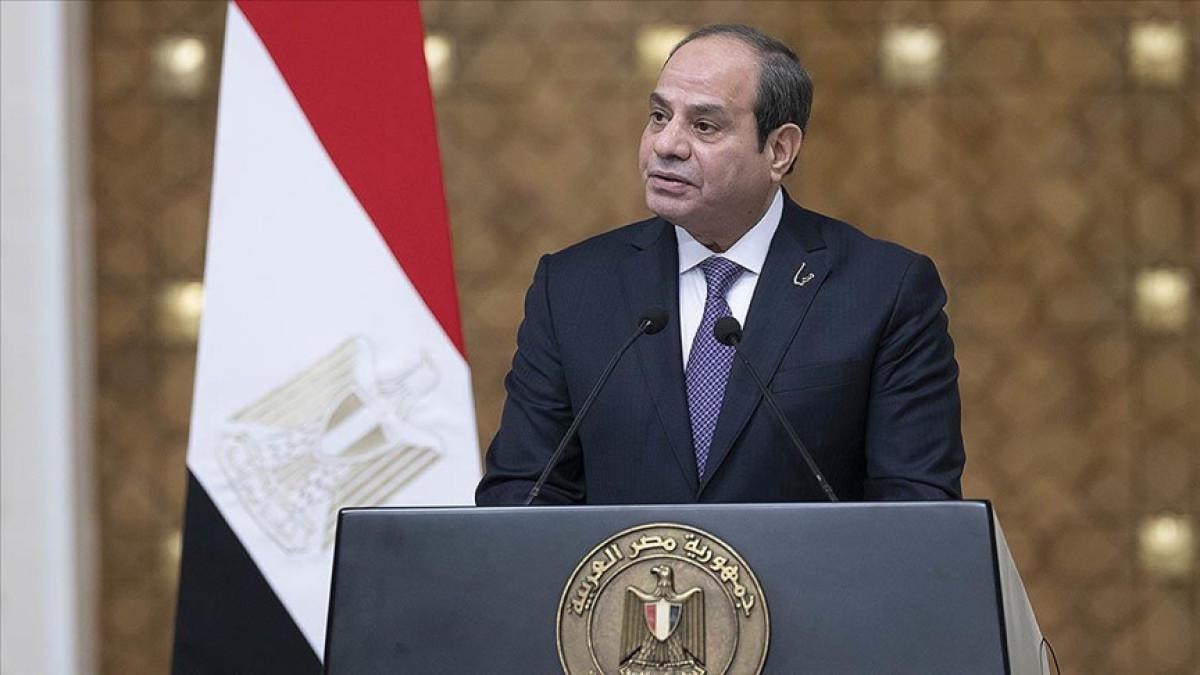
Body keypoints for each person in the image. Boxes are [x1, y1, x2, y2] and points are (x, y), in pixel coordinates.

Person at [475, 24, 964, 505]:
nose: (666, 145)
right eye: (659, 116)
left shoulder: (882, 290)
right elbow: (523, 493)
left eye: (704, 126)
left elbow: (918, 506)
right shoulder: (572, 289)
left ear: (779, 150)